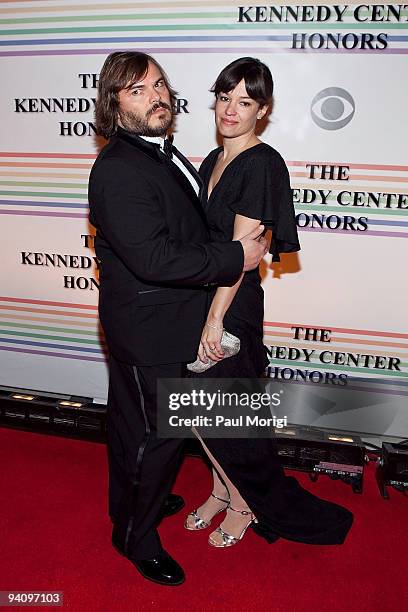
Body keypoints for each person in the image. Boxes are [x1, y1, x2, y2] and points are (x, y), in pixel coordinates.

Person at [88, 51, 269, 586]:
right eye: (138, 90)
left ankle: (131, 505)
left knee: (131, 429)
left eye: (160, 84)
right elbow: (155, 258)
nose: (157, 96)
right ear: (114, 105)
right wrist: (237, 257)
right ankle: (134, 539)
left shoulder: (162, 155)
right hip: (151, 331)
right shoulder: (120, 168)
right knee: (153, 437)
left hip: (144, 321)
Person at [184, 57, 353, 548]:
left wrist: (215, 321)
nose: (230, 110)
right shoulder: (212, 160)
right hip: (202, 300)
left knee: (229, 416)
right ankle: (221, 489)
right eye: (224, 98)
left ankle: (244, 503)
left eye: (245, 102)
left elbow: (240, 254)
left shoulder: (261, 164)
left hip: (230, 306)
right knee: (198, 412)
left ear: (262, 109)